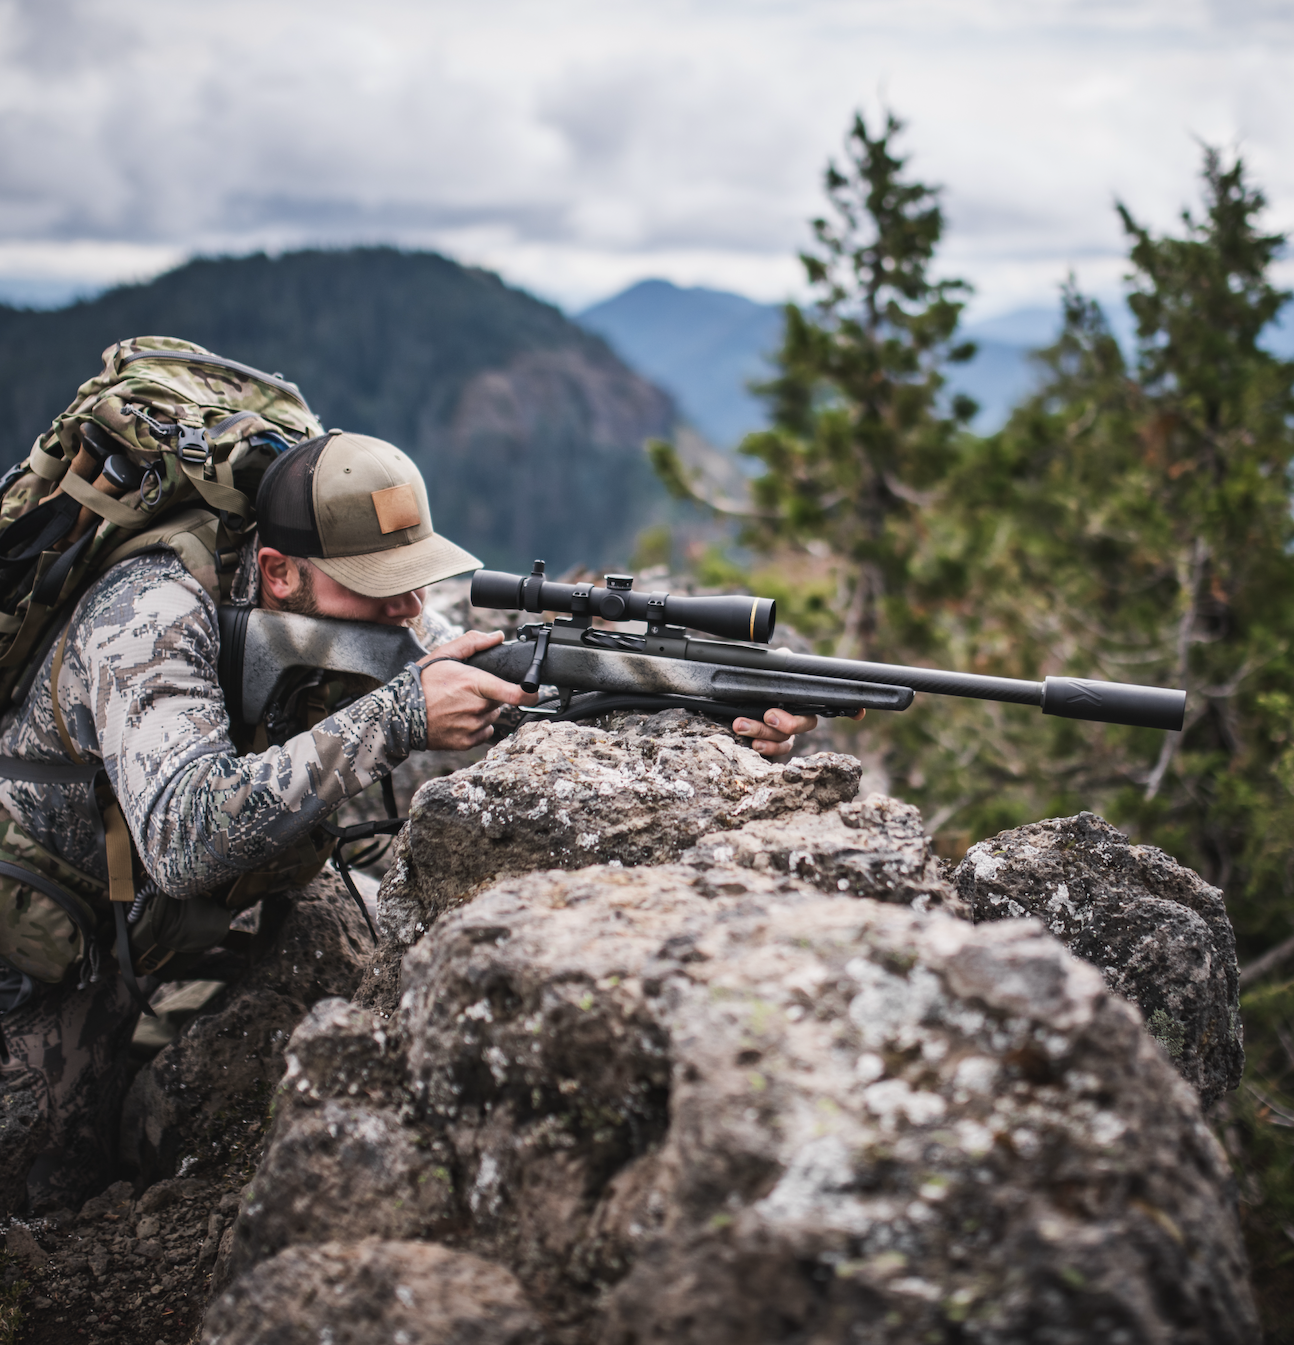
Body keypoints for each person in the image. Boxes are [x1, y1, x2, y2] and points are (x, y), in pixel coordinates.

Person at [0, 430, 814, 1214]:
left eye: (416, 574)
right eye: (379, 581)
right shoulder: (146, 613)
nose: (410, 605)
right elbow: (186, 838)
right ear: (280, 573)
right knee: (50, 1181)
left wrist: (706, 716)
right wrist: (396, 717)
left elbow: (507, 697)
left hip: (195, 911)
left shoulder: (380, 610)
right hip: (51, 936)